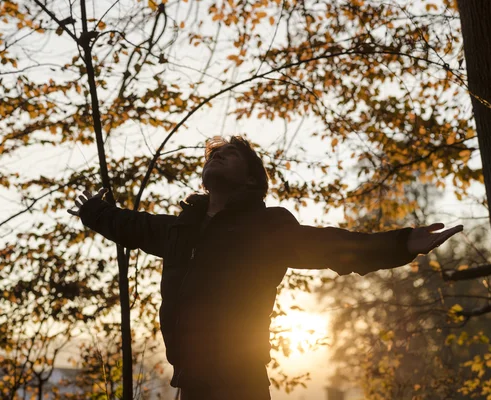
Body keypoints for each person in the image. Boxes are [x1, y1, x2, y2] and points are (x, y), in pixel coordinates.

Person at [67, 135, 463, 400]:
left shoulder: (266, 226)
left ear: (250, 179)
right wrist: (94, 211)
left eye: (230, 154)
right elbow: (132, 226)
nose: (217, 156)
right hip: (189, 381)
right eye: (213, 155)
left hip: (240, 382)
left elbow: (334, 246)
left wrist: (400, 243)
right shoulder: (180, 229)